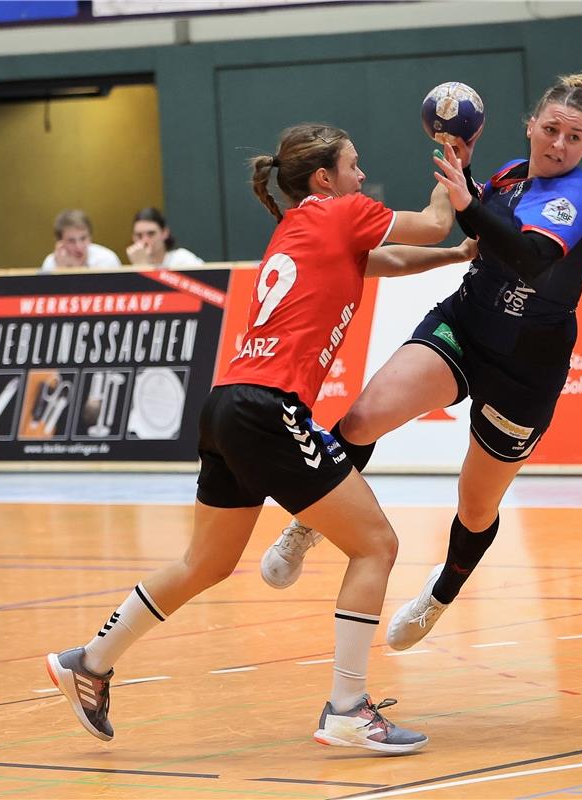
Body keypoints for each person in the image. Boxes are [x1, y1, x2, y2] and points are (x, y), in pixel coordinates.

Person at [45, 122, 464, 753]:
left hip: (225, 406)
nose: (360, 175)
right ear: (325, 178)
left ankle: (90, 660)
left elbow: (392, 259)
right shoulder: (342, 210)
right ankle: (348, 709)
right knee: (376, 544)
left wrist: (457, 259)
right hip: (269, 409)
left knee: (205, 563)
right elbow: (432, 224)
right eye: (354, 165)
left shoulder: (302, 227)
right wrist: (454, 159)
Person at [257, 74, 582, 651]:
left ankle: (440, 593)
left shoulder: (579, 196)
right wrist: (463, 176)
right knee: (365, 416)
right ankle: (306, 524)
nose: (559, 144)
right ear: (529, 127)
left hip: (527, 365)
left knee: (475, 503)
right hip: (466, 323)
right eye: (550, 129)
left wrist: (467, 199)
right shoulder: (510, 177)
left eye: (574, 136)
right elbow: (473, 232)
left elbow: (532, 259)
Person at [41, 209, 123, 271]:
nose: (79, 246)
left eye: (83, 238)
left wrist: (77, 269)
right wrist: (61, 270)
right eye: (71, 241)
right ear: (60, 242)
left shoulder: (107, 259)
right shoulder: (51, 263)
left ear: (90, 237)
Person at [127, 207, 205, 268]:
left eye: (151, 234)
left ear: (164, 233)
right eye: (139, 235)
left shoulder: (182, 259)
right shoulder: (135, 263)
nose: (145, 240)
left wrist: (143, 267)